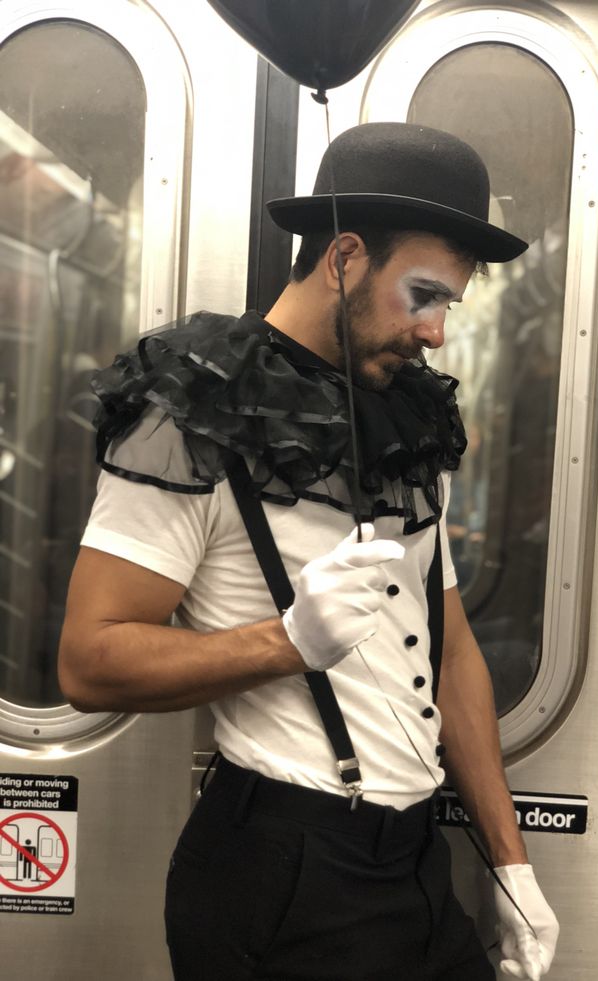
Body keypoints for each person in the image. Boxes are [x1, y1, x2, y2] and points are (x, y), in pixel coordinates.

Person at [58, 122, 559, 981]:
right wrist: (286, 641)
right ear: (345, 257)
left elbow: (451, 644)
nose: (437, 333)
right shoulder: (191, 410)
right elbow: (89, 660)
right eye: (425, 294)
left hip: (414, 863)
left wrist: (511, 864)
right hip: (282, 869)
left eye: (450, 305)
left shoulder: (405, 413)